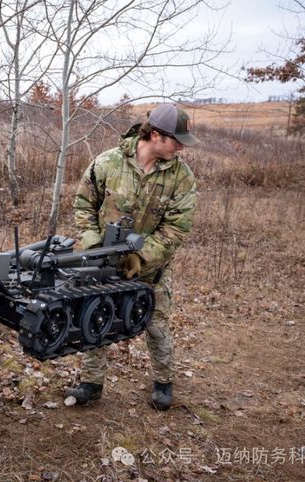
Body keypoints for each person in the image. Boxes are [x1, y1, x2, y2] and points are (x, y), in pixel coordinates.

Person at [67, 103, 198, 411]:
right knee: (96, 319)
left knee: (156, 325)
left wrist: (142, 257)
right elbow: (83, 206)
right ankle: (91, 383)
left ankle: (163, 382)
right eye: (176, 140)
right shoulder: (108, 163)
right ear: (155, 135)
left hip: (151, 271)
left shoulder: (181, 177)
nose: (181, 147)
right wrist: (93, 245)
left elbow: (176, 228)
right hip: (102, 264)